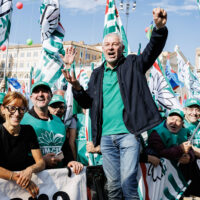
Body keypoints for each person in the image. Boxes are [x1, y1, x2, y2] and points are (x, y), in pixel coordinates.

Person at [62, 7, 168, 199]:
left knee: (128, 186)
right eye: (107, 44)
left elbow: (152, 50)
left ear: (122, 48)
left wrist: (159, 30)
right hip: (105, 139)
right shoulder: (97, 74)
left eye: (115, 44)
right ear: (103, 49)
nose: (110, 47)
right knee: (113, 188)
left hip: (129, 135)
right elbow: (87, 103)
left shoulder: (133, 64)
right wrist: (77, 86)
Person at [21, 81, 83, 174]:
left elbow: (65, 149)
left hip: (58, 178)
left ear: (50, 97)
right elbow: (16, 156)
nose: (40, 94)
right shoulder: (22, 121)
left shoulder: (59, 122)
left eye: (45, 91)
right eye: (37, 91)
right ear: (31, 98)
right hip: (32, 179)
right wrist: (41, 161)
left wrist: (71, 161)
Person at [0, 92, 45, 198]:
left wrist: (30, 170)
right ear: (3, 109)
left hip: (24, 193)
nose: (16, 113)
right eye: (12, 108)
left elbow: (41, 162)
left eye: (21, 109)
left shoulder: (28, 130)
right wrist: (19, 178)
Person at [148, 109, 200, 197]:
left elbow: (189, 147)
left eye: (178, 120)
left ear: (182, 123)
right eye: (172, 119)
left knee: (193, 164)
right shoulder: (157, 133)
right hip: (160, 171)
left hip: (179, 168)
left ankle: (193, 194)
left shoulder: (184, 131)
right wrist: (180, 149)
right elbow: (160, 153)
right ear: (166, 119)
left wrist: (189, 157)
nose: (174, 123)